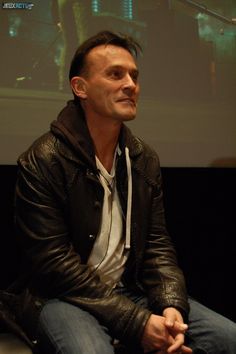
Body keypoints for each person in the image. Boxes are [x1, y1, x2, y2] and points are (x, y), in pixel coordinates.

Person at [11, 31, 236, 354]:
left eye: (134, 75)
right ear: (80, 87)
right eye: (115, 74)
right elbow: (53, 265)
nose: (131, 84)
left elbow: (158, 246)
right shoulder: (43, 159)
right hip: (63, 298)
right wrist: (137, 323)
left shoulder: (143, 158)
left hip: (129, 292)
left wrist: (171, 306)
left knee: (228, 339)